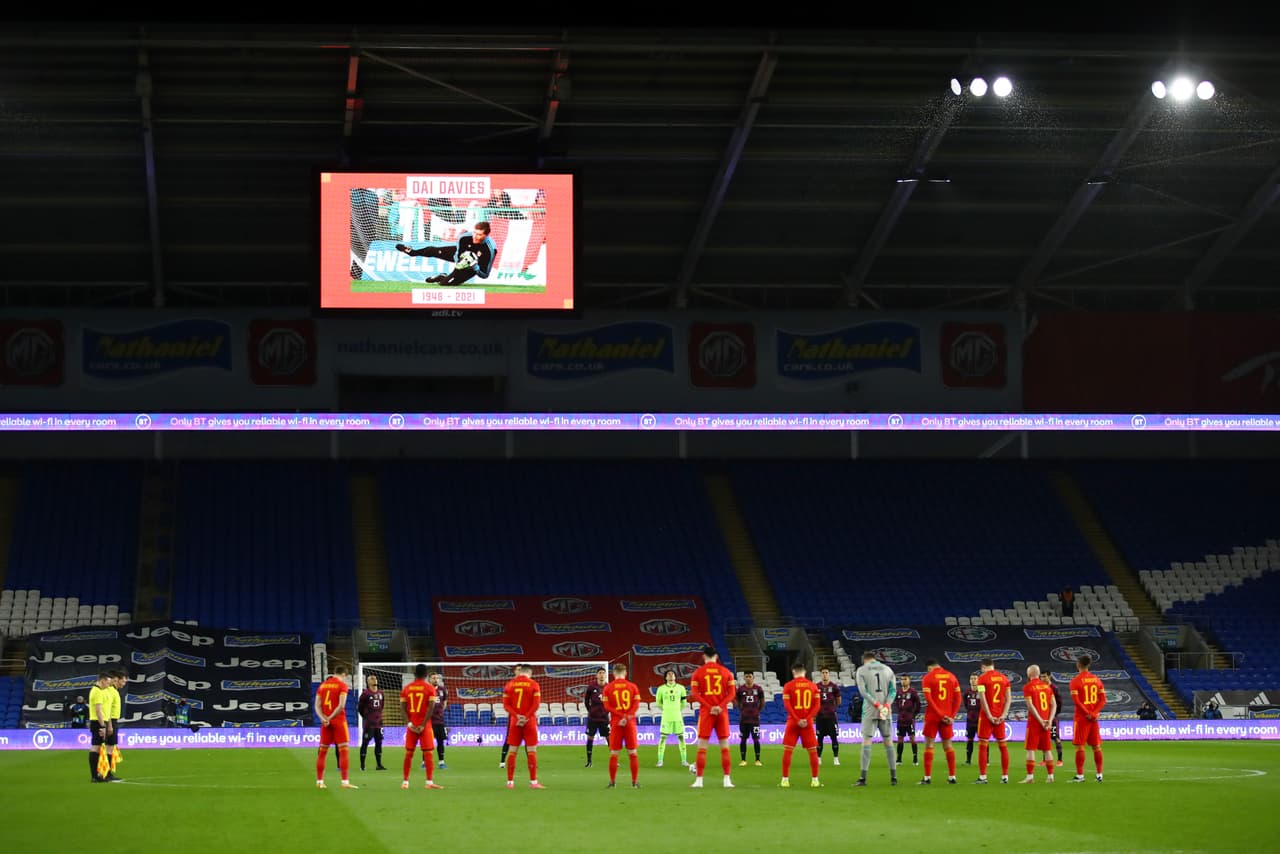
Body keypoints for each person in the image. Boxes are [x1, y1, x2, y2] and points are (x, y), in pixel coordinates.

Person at [689, 645, 737, 788]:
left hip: (706, 712)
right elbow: (732, 694)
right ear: (716, 656)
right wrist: (720, 706)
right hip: (722, 713)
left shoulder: (698, 673)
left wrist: (710, 707)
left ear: (704, 656)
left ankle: (699, 780)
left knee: (702, 747)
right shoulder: (726, 672)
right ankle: (727, 780)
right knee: (724, 747)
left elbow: (696, 694)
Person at [395, 221, 497, 287]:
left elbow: (485, 275)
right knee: (432, 250)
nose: (475, 236)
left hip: (471, 267)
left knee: (446, 284)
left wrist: (474, 267)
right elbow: (457, 255)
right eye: (474, 232)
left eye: (479, 234)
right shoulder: (465, 237)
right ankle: (412, 252)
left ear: (486, 235)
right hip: (460, 258)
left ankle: (442, 277)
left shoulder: (490, 250)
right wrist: (460, 262)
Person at [854, 651, 898, 787]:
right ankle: (894, 777)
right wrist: (886, 705)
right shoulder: (888, 669)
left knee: (867, 741)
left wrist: (877, 705)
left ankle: (863, 778)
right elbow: (893, 691)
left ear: (864, 660)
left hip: (870, 710)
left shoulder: (861, 670)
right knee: (888, 742)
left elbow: (863, 691)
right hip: (886, 711)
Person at [918, 659, 961, 785]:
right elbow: (958, 699)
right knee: (948, 746)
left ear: (930, 667)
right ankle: (952, 776)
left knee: (929, 745)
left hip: (933, 716)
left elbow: (929, 700)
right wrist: (951, 716)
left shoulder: (928, 677)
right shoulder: (951, 676)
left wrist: (939, 714)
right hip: (948, 716)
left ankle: (927, 778)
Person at [779, 663, 823, 788]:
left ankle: (785, 780)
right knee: (813, 752)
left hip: (793, 722)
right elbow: (817, 706)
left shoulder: (788, 686)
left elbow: (787, 706)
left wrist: (797, 719)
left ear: (794, 672)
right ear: (805, 672)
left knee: (788, 750)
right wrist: (807, 718)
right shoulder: (813, 686)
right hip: (807, 723)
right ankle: (815, 780)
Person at [314, 664, 358, 789]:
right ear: (343, 674)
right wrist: (331, 718)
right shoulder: (342, 685)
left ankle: (319, 782)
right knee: (343, 751)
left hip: (325, 722)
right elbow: (341, 706)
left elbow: (317, 705)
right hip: (338, 721)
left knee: (322, 752)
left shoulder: (322, 685)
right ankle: (345, 782)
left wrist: (323, 718)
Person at [400, 663, 443, 789]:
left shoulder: (406, 688)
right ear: (425, 675)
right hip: (425, 726)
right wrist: (423, 724)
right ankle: (429, 782)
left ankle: (405, 782)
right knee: (428, 753)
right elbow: (431, 708)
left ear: (414, 674)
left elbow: (402, 708)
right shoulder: (430, 689)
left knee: (409, 753)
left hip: (411, 725)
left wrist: (409, 723)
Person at [502, 664, 545, 789]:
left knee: (512, 751)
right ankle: (533, 782)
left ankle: (510, 782)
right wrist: (526, 717)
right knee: (531, 751)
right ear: (529, 673)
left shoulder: (509, 684)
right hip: (529, 721)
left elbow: (506, 705)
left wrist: (517, 716)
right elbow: (536, 704)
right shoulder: (533, 684)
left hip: (514, 722)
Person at [601, 663, 642, 788]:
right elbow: (636, 705)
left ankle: (612, 782)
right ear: (625, 673)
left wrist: (619, 716)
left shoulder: (608, 688)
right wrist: (627, 716)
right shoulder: (632, 687)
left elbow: (606, 706)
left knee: (614, 753)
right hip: (629, 722)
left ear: (613, 674)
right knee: (632, 752)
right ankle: (634, 782)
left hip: (616, 723)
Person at [1069, 654, 1107, 783]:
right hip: (1094, 718)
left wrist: (1087, 713)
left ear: (1078, 665)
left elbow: (1077, 701)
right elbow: (1103, 700)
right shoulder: (1096, 680)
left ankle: (1080, 775)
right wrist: (1094, 713)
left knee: (1080, 747)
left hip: (1082, 718)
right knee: (1096, 746)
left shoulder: (1075, 681)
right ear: (1088, 665)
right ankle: (1099, 775)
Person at [975, 658, 1012, 783]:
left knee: (983, 746)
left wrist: (990, 715)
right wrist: (1003, 715)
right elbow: (1008, 699)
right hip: (1000, 716)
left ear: (983, 667)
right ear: (993, 665)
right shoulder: (1004, 679)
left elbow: (982, 699)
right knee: (1003, 746)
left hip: (987, 717)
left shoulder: (982, 678)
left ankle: (983, 777)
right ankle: (1005, 776)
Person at [1020, 665, 1058, 784]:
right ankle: (1051, 776)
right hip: (1047, 723)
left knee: (1030, 749)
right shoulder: (1047, 687)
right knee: (1047, 750)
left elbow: (1030, 706)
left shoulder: (1028, 687)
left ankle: (1030, 776)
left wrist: (1041, 720)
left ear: (1029, 674)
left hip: (1035, 723)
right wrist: (1050, 720)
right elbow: (1054, 705)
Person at [653, 669, 688, 768]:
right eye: (669, 674)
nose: (671, 675)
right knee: (663, 738)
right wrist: (666, 709)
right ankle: (660, 761)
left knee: (681, 738)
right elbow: (658, 702)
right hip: (666, 717)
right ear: (665, 677)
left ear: (675, 676)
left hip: (677, 716)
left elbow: (684, 703)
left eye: (673, 673)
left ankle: (684, 760)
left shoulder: (681, 688)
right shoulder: (661, 689)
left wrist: (676, 710)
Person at [357, 674, 387, 772]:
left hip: (379, 723)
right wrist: (366, 717)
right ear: (368, 682)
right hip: (369, 724)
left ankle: (379, 765)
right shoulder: (365, 694)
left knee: (379, 743)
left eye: (375, 678)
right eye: (371, 679)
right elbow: (360, 708)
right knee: (365, 743)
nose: (374, 680)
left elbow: (381, 706)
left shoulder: (381, 693)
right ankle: (362, 765)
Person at [734, 671, 764, 767]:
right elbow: (736, 700)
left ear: (753, 677)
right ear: (744, 678)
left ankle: (758, 760)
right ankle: (743, 760)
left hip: (755, 719)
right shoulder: (740, 689)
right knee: (743, 739)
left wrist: (757, 711)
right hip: (744, 719)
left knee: (756, 739)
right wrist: (741, 709)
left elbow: (762, 701)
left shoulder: (758, 689)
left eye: (749, 676)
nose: (748, 678)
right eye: (746, 676)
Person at [87, 673, 112, 783]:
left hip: (100, 722)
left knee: (97, 748)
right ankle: (94, 776)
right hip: (98, 722)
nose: (108, 685)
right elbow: (98, 711)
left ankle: (97, 774)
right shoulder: (96, 691)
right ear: (102, 681)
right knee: (96, 747)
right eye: (107, 682)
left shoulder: (99, 691)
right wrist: (102, 726)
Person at [893, 674, 922, 766]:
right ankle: (899, 759)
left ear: (909, 681)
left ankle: (915, 758)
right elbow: (896, 703)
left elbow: (918, 704)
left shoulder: (913, 692)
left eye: (905, 679)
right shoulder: (898, 692)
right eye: (902, 679)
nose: (903, 681)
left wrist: (913, 714)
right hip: (900, 719)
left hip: (910, 719)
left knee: (912, 738)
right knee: (900, 739)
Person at [583, 668, 609, 768]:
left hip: (604, 718)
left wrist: (607, 711)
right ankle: (589, 761)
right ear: (596, 675)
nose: (602, 675)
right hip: (593, 718)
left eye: (603, 673)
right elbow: (586, 700)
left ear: (606, 675)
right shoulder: (591, 687)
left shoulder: (608, 687)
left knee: (609, 738)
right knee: (590, 737)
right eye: (600, 673)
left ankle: (614, 760)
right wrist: (590, 710)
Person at [815, 668, 842, 766]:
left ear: (829, 674)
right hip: (820, 717)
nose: (825, 674)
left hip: (831, 717)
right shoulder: (816, 686)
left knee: (834, 738)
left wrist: (832, 708)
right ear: (820, 674)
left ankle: (836, 758)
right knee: (819, 739)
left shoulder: (834, 687)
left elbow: (839, 701)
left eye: (826, 673)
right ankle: (818, 758)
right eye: (823, 673)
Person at [1040, 670, 1065, 765]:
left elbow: (1059, 702)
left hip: (1052, 717)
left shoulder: (1054, 688)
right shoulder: (1040, 687)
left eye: (1044, 676)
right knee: (1044, 738)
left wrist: (1054, 714)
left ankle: (1060, 760)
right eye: (1041, 677)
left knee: (1056, 738)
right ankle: (1045, 760)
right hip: (1043, 717)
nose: (1042, 678)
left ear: (1049, 676)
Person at [105, 670, 125, 781]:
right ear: (117, 679)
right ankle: (107, 773)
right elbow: (107, 709)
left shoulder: (114, 691)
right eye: (123, 681)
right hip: (111, 721)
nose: (124, 683)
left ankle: (107, 773)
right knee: (109, 747)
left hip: (113, 721)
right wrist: (110, 725)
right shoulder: (111, 691)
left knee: (111, 747)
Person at [429, 672, 449, 768]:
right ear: (429, 679)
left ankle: (441, 762)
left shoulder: (442, 690)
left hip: (439, 720)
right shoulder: (426, 690)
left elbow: (445, 702)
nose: (435, 679)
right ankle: (425, 762)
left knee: (440, 741)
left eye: (436, 678)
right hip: (429, 721)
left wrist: (440, 711)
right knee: (427, 742)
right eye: (433, 678)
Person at [962, 673, 982, 765]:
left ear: (978, 680)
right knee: (970, 740)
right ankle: (968, 760)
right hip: (970, 721)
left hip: (980, 720)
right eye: (971, 678)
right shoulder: (967, 692)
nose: (973, 680)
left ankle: (986, 761)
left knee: (983, 740)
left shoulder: (981, 690)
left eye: (975, 678)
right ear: (969, 680)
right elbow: (966, 704)